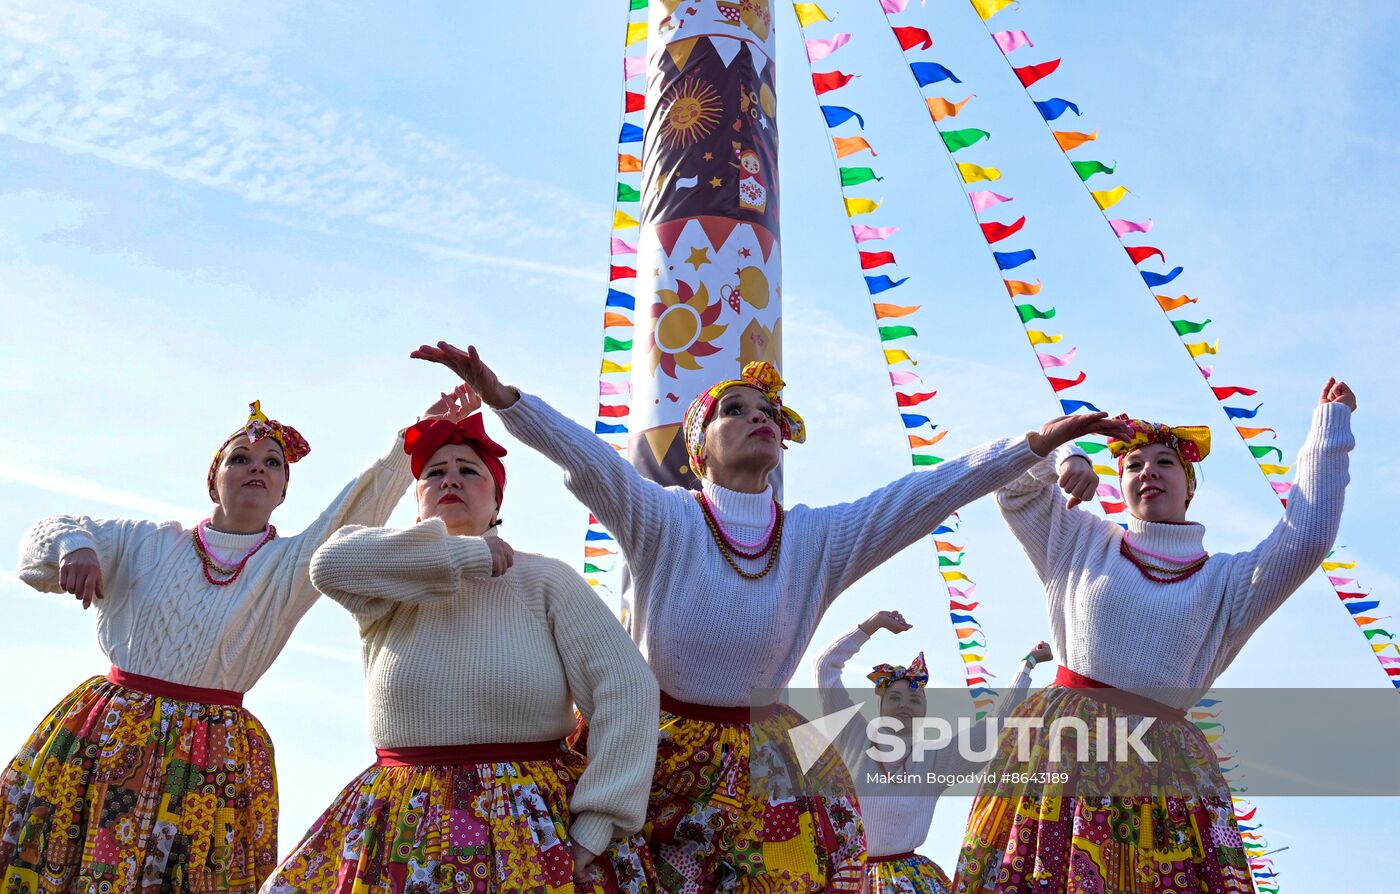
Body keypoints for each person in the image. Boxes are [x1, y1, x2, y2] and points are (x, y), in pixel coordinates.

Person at [411, 341, 1128, 893]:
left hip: (765, 763)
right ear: (698, 453)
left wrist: (1030, 447)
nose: (759, 417)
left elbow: (926, 495)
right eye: (735, 410)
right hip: (649, 753)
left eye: (769, 413)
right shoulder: (664, 517)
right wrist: (503, 398)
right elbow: (590, 462)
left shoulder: (819, 537)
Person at [955, 378, 1357, 893]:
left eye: (1165, 462)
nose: (1148, 472)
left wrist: (1330, 429)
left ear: (1189, 484)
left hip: (1162, 768)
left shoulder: (1230, 582)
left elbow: (1309, 535)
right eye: (1133, 464)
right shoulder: (1079, 538)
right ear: (1118, 483)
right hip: (1059, 752)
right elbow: (1012, 487)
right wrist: (1062, 452)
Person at [3, 398, 418, 894]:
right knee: (65, 865)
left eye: (272, 464)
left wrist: (407, 448)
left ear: (284, 490)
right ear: (214, 478)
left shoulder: (291, 564)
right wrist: (76, 548)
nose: (256, 469)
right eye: (240, 458)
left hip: (212, 754)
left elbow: (356, 511)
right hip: (109, 739)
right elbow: (45, 537)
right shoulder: (147, 542)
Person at [260, 390, 659, 894]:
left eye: (469, 471)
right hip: (405, 820)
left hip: (531, 823)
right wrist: (465, 556)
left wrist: (598, 824)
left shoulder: (546, 580)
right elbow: (327, 563)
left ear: (497, 500)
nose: (449, 477)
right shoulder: (388, 580)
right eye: (433, 473)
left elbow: (628, 690)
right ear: (418, 501)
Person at [816, 610, 1051, 894]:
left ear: (925, 711)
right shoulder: (854, 736)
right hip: (845, 878)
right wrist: (872, 624)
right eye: (895, 698)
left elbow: (994, 727)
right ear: (881, 705)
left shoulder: (936, 760)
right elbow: (825, 667)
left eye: (915, 699)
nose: (905, 705)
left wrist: (1027, 667)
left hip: (907, 882)